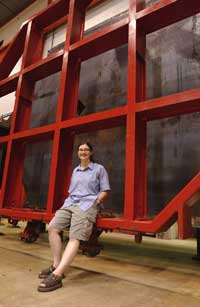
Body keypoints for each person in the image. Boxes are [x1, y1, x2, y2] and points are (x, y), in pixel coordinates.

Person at [37, 142, 110, 292]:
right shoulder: (76, 170)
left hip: (87, 205)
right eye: (80, 150)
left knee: (74, 236)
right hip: (70, 203)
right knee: (52, 228)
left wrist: (95, 201)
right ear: (78, 153)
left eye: (86, 150)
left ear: (91, 152)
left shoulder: (99, 169)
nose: (83, 152)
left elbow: (105, 190)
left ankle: (57, 275)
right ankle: (56, 265)